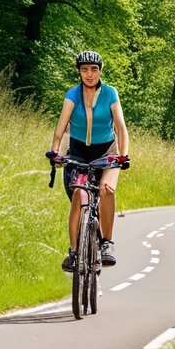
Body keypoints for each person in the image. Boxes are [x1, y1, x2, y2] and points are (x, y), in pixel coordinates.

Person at [48, 50, 130, 271]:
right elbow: (60, 128)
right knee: (78, 193)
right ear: (79, 72)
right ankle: (74, 252)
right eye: (84, 70)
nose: (89, 74)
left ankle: (107, 243)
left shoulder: (111, 93)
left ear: (100, 71)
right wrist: (54, 151)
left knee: (106, 190)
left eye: (94, 69)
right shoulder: (72, 95)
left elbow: (121, 128)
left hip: (107, 152)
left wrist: (123, 155)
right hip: (78, 153)